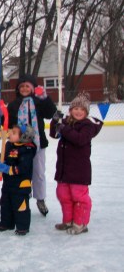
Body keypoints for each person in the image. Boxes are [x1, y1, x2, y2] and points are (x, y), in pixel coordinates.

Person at [49, 92, 103, 235]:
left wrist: (64, 129)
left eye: (82, 109)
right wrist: (56, 121)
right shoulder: (66, 122)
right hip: (64, 169)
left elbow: (80, 139)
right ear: (71, 110)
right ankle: (68, 221)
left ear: (86, 112)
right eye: (75, 108)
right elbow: (54, 134)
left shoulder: (88, 125)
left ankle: (80, 223)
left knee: (79, 197)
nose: (78, 111)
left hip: (79, 170)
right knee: (63, 195)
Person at [7, 74, 57, 216]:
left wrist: (45, 98)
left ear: (33, 88)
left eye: (27, 86)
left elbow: (50, 113)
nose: (24, 88)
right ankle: (23, 196)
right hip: (20, 144)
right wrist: (2, 116)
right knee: (22, 172)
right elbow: (9, 123)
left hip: (37, 143)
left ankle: (40, 198)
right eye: (21, 86)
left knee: (38, 172)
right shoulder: (14, 104)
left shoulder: (38, 102)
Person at [0, 125, 37, 236]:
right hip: (8, 183)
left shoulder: (27, 149)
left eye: (13, 133)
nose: (10, 134)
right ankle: (6, 223)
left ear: (23, 137)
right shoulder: (9, 145)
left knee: (20, 206)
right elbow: (1, 156)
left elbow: (23, 167)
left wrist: (9, 169)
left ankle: (23, 227)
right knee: (5, 203)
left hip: (21, 185)